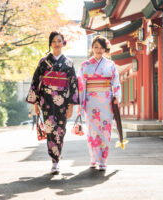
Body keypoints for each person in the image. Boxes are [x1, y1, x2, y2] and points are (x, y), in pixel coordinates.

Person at [26, 31, 79, 175]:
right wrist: (35, 104)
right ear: (50, 43)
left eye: (59, 41)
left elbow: (73, 84)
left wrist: (71, 106)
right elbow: (35, 82)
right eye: (54, 41)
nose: (57, 43)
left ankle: (57, 157)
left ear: (63, 43)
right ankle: (54, 161)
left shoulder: (68, 63)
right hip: (46, 99)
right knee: (50, 129)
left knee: (60, 129)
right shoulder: (43, 62)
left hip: (62, 100)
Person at [77, 35, 121, 171]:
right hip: (90, 101)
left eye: (101, 48)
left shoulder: (110, 65)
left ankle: (103, 159)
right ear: (92, 48)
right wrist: (80, 103)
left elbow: (116, 83)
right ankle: (93, 157)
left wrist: (116, 96)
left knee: (105, 130)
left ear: (105, 49)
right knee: (92, 130)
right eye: (96, 47)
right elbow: (80, 85)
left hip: (106, 101)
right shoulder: (85, 65)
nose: (98, 50)